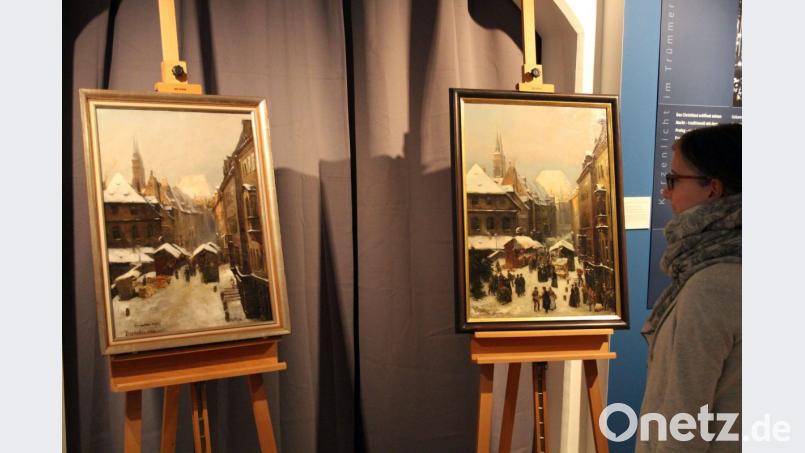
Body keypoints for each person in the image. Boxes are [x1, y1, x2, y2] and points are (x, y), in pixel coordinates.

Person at [637, 124, 741, 452]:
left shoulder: (712, 285)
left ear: (712, 189)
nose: (666, 192)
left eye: (673, 180)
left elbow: (683, 420)